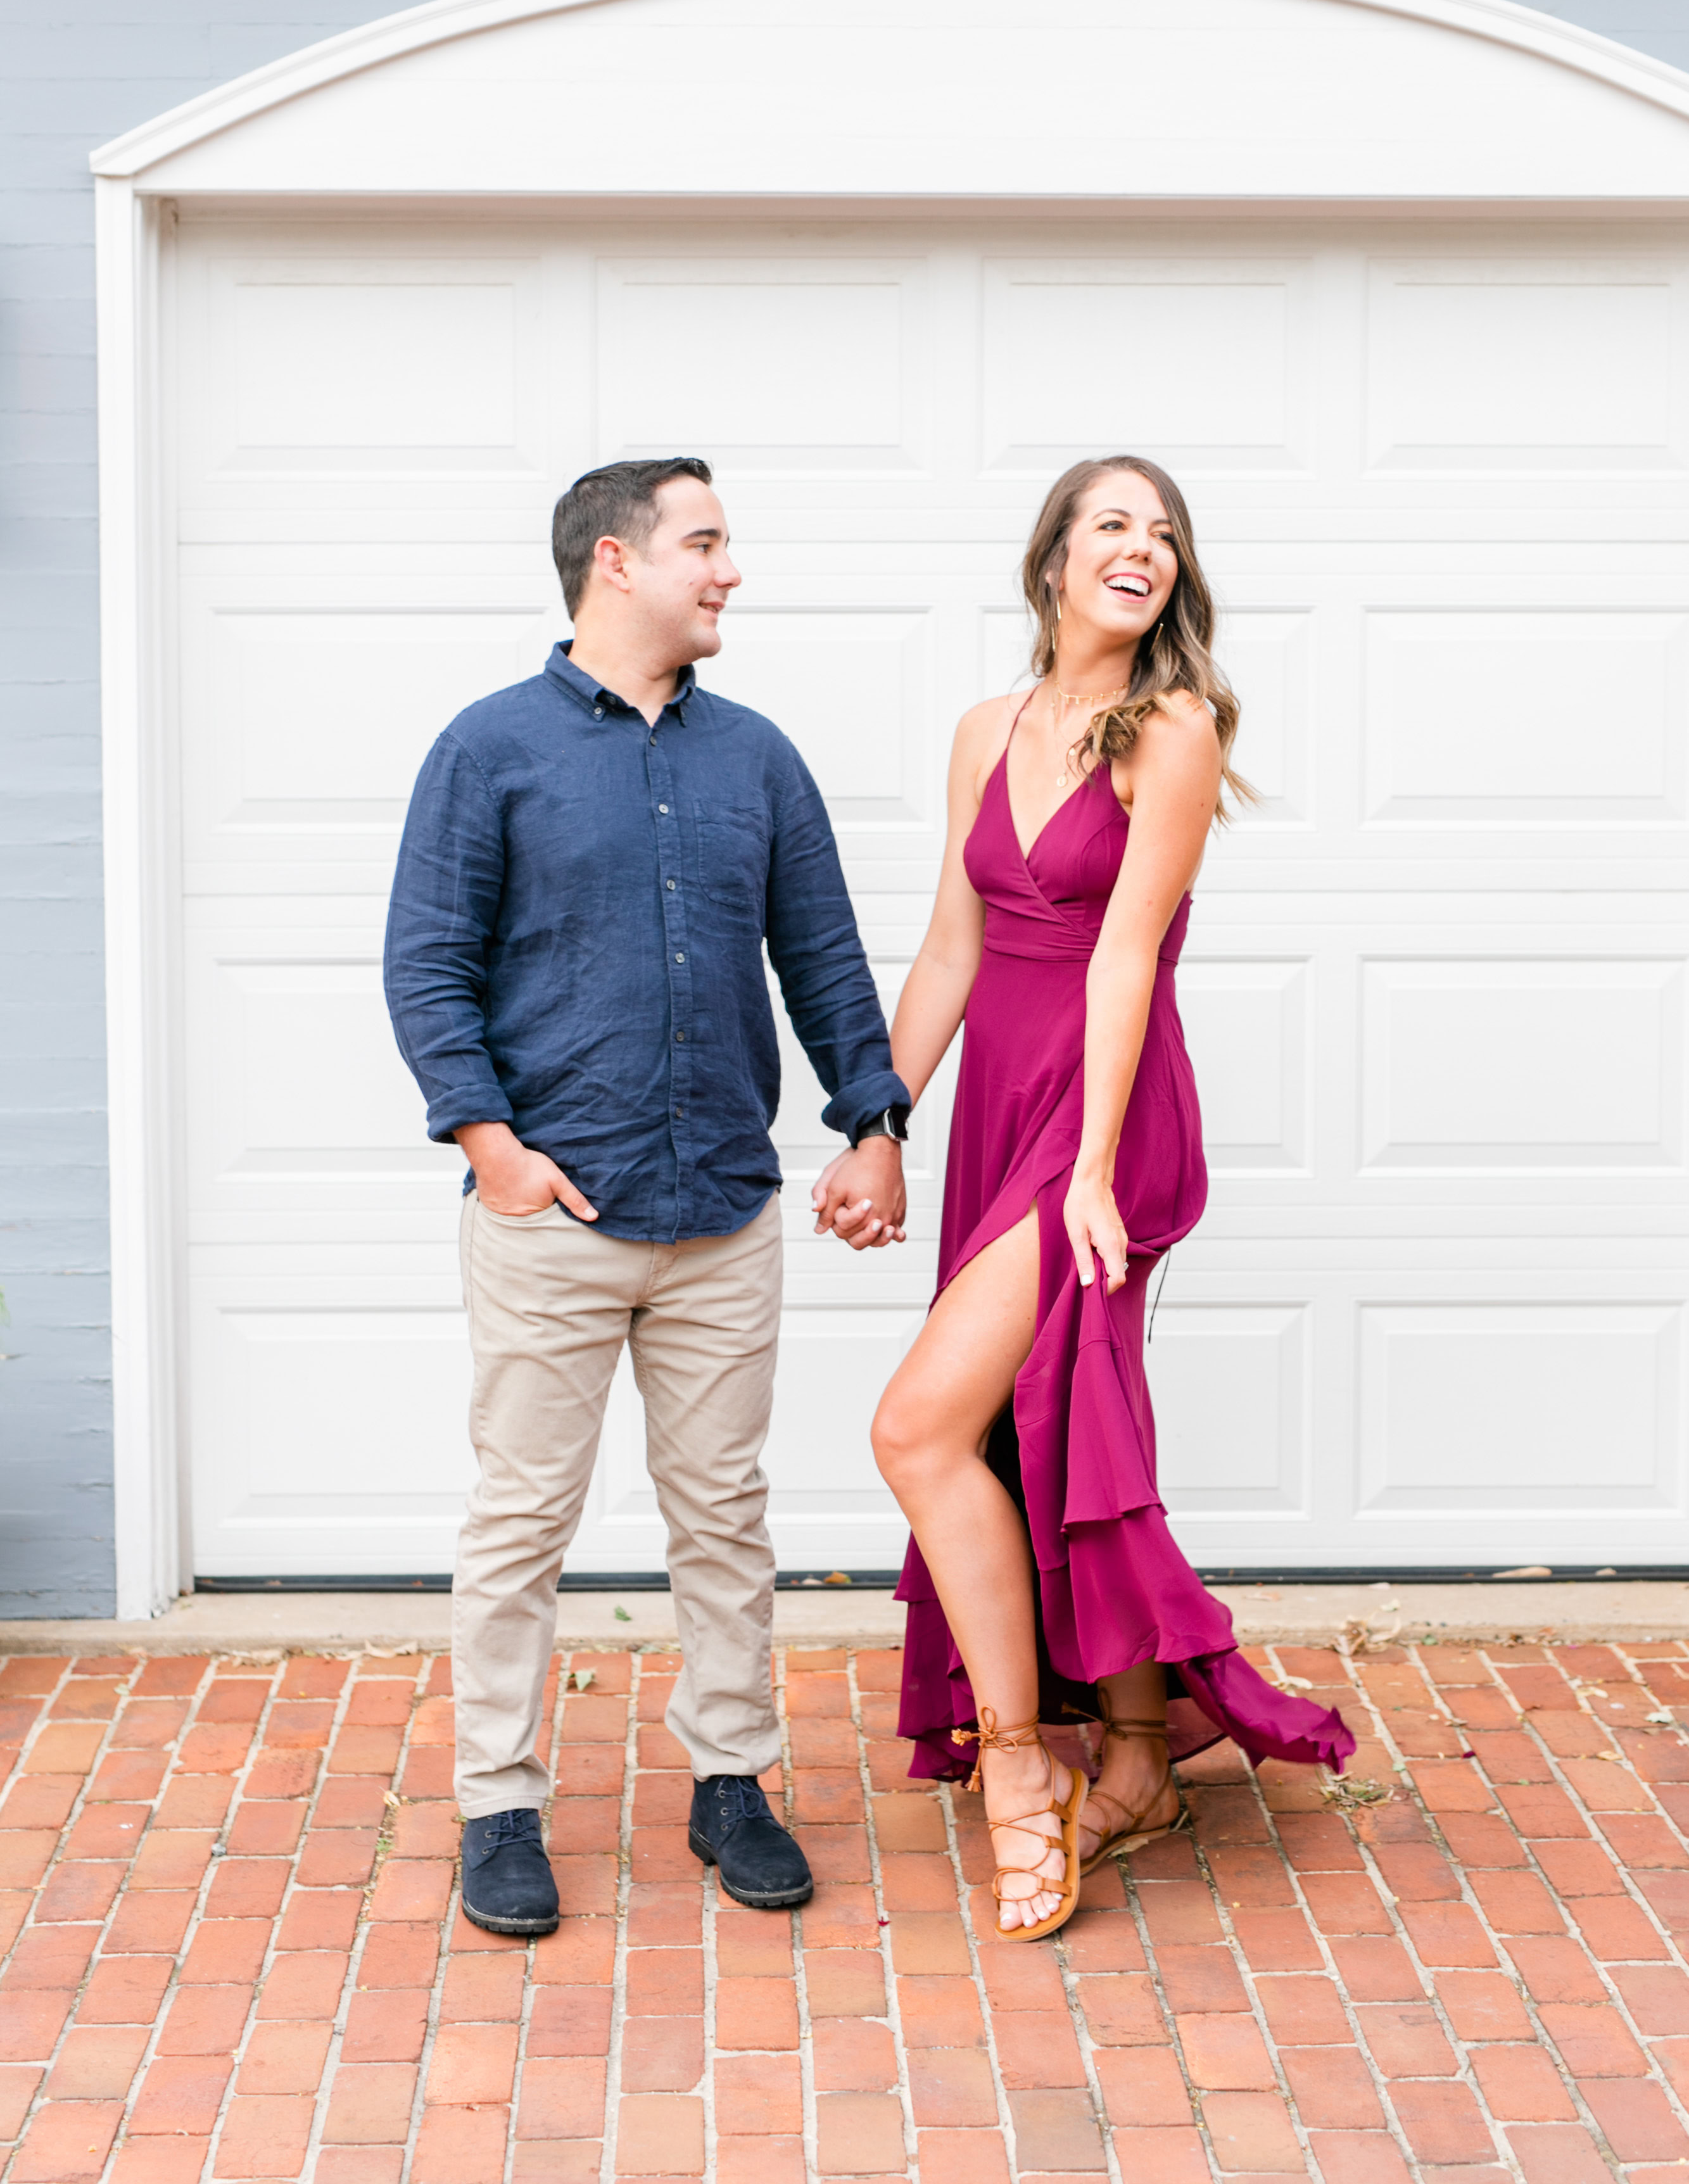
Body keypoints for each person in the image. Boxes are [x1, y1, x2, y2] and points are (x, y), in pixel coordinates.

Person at [819, 454, 1353, 1943]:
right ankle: (1131, 1752)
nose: (1143, 548)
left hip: (1103, 1109)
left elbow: (1125, 954)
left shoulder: (1170, 727)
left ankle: (1016, 1777)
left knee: (918, 1426)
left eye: (1164, 533)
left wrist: (1097, 1174)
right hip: (996, 1102)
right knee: (1047, 1424)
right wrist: (878, 1122)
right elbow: (948, 946)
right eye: (1113, 524)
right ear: (1052, 554)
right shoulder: (985, 728)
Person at [386, 456, 909, 1939]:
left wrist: (871, 1119)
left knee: (725, 1516)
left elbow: (821, 955)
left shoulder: (756, 758)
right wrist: (491, 1145)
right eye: (707, 542)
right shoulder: (488, 748)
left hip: (723, 1214)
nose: (730, 568)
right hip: (553, 1213)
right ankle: (498, 1799)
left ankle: (731, 1778)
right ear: (616, 562)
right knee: (519, 1523)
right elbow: (426, 962)